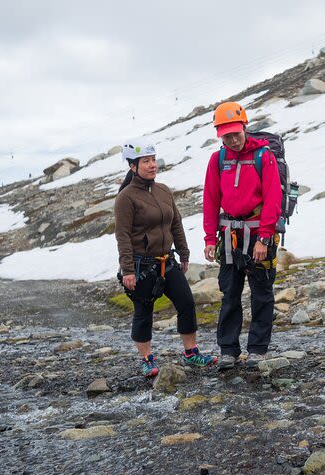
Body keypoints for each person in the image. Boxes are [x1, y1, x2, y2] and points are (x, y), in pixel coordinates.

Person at [114, 140, 217, 378]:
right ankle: (147, 359)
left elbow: (175, 223)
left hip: (166, 261)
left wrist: (184, 252)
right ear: (133, 166)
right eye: (145, 162)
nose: (152, 166)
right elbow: (123, 235)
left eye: (153, 160)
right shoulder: (126, 198)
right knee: (144, 310)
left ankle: (191, 353)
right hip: (142, 265)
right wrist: (128, 269)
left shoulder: (163, 190)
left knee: (186, 303)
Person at [203, 101, 282, 371]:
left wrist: (265, 238)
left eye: (236, 133)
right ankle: (228, 349)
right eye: (226, 136)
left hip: (259, 233)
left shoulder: (264, 156)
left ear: (245, 127)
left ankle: (258, 349)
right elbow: (211, 199)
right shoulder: (218, 160)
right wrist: (209, 238)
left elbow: (273, 198)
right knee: (229, 293)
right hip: (229, 234)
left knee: (261, 293)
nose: (233, 140)